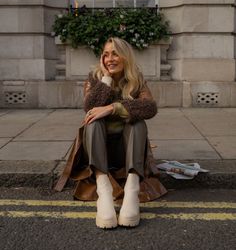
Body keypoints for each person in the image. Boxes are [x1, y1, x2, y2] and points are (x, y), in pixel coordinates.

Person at [55, 37, 167, 229]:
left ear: (126, 57)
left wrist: (113, 108)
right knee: (92, 121)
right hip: (100, 152)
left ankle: (132, 189)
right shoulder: (95, 79)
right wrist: (105, 80)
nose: (110, 59)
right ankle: (104, 189)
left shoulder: (136, 79)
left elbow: (150, 107)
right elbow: (89, 107)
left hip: (126, 152)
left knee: (137, 123)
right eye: (106, 54)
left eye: (115, 53)